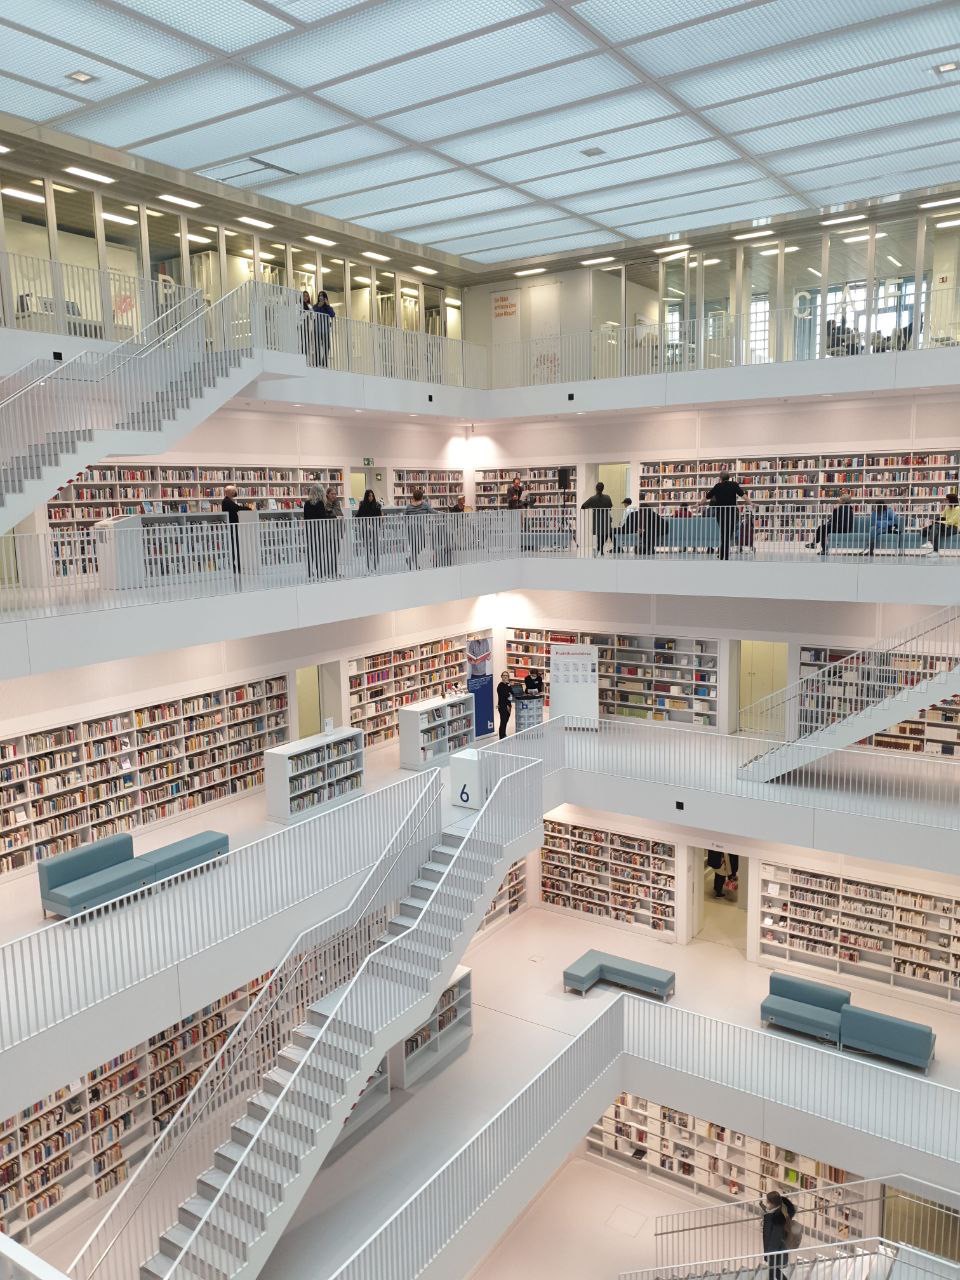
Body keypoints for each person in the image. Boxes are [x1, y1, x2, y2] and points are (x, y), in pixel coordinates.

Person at [701, 472, 750, 561]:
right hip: (732, 513)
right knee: (729, 534)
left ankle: (722, 554)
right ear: (729, 477)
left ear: (720, 478)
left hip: (721, 513)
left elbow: (707, 497)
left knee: (724, 534)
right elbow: (743, 495)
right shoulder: (734, 485)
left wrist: (698, 504)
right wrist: (750, 503)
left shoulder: (717, 486)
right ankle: (724, 555)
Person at [761, 1191, 796, 1280]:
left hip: (774, 1250)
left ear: (773, 1203)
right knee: (773, 1270)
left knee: (773, 1269)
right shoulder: (780, 1212)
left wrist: (769, 1253)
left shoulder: (777, 1219)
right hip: (777, 1248)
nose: (767, 1204)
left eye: (768, 1202)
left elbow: (774, 1236)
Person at [810, 489, 855, 555]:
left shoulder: (840, 508)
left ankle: (820, 547)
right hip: (844, 528)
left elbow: (834, 519)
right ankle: (814, 544)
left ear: (844, 501)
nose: (838, 500)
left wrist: (835, 510)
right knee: (823, 528)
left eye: (840, 499)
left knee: (822, 529)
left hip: (840, 528)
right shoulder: (849, 509)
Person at [221, 485, 249, 575]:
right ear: (229, 492)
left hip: (233, 525)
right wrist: (249, 508)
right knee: (234, 546)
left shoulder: (229, 500)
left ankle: (237, 566)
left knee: (235, 545)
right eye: (234, 491)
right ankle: (234, 566)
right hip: (232, 526)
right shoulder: (226, 501)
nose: (235, 493)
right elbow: (236, 508)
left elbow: (236, 507)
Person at [404, 486, 433, 568]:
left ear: (413, 496)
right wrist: (444, 514)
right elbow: (433, 512)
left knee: (415, 546)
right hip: (419, 528)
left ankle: (410, 559)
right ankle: (416, 565)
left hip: (411, 528)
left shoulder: (409, 506)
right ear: (421, 497)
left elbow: (405, 517)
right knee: (421, 545)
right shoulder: (425, 505)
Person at [582, 481, 613, 556]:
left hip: (597, 518)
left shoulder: (593, 498)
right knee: (605, 534)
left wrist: (592, 507)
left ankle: (599, 548)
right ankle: (600, 549)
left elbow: (583, 506)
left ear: (596, 489)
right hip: (606, 518)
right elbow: (610, 506)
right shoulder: (607, 497)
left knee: (599, 535)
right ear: (603, 488)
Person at [355, 488, 382, 571]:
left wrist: (376, 526)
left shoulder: (377, 505)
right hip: (365, 529)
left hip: (375, 528)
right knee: (367, 548)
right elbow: (358, 516)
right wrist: (365, 523)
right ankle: (368, 567)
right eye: (369, 496)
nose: (371, 497)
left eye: (372, 496)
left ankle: (375, 566)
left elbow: (379, 517)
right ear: (366, 497)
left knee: (376, 547)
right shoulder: (362, 504)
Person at [313, 290, 335, 368]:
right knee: (317, 346)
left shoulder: (328, 307)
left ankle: (324, 362)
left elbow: (332, 314)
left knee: (327, 346)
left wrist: (328, 305)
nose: (321, 297)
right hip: (317, 329)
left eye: (322, 296)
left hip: (325, 330)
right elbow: (313, 313)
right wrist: (319, 306)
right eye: (320, 296)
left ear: (325, 298)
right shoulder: (315, 306)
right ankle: (317, 363)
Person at [497, 670, 513, 739]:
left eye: (506, 676)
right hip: (503, 706)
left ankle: (504, 734)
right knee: (503, 721)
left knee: (506, 720)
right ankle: (501, 736)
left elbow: (512, 692)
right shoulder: (500, 685)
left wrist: (509, 685)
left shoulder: (507, 684)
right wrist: (508, 690)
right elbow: (505, 694)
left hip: (508, 705)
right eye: (504, 676)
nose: (505, 677)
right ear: (501, 677)